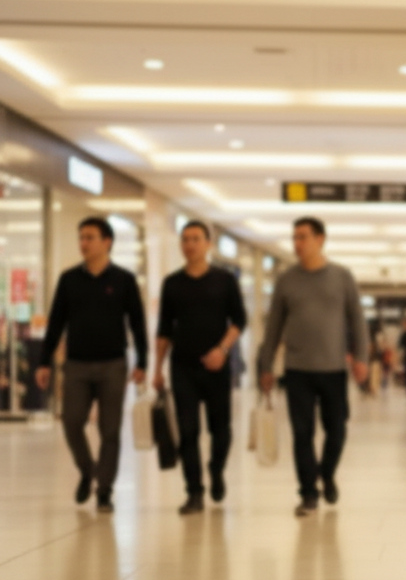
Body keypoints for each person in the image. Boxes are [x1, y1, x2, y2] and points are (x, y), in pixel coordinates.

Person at [257, 217, 369, 516]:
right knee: (302, 433)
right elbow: (273, 327)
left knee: (337, 430)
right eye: (294, 237)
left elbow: (357, 320)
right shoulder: (286, 280)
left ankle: (327, 474)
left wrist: (362, 358)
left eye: (303, 237)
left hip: (333, 369)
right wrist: (265, 366)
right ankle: (308, 492)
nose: (297, 243)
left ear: (320, 239)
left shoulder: (342, 277)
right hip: (297, 370)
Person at [35, 217, 147, 513]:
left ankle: (105, 490)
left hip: (113, 365)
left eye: (90, 237)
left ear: (107, 242)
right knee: (72, 423)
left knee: (110, 431)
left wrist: (143, 362)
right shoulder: (69, 279)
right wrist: (44, 361)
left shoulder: (124, 280)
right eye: (81, 237)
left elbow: (137, 323)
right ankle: (88, 470)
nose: (83, 243)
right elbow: (56, 322)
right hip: (76, 366)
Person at [152, 221, 248, 515]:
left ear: (208, 244)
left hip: (217, 367)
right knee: (187, 430)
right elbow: (164, 329)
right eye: (185, 240)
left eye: (195, 239)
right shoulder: (172, 283)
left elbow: (239, 321)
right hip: (183, 367)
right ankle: (194, 491)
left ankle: (216, 470)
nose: (189, 244)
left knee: (222, 431)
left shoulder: (224, 280)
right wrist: (157, 369)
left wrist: (222, 350)